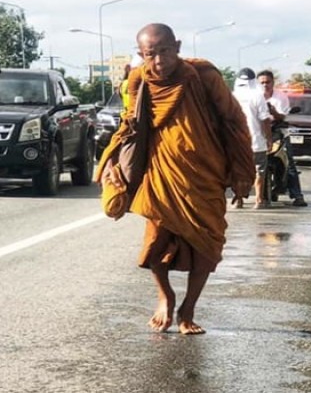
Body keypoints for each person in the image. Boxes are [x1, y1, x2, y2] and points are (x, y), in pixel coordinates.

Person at [96, 23, 254, 335]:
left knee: (208, 245)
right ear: (141, 55)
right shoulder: (138, 79)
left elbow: (232, 120)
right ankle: (165, 296)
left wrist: (242, 171)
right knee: (155, 241)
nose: (158, 61)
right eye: (149, 54)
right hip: (161, 172)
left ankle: (189, 308)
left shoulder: (204, 75)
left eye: (164, 51)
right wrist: (114, 162)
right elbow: (130, 124)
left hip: (206, 172)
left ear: (177, 47)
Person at [257, 70, 308, 207]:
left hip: (279, 133)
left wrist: (273, 112)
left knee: (290, 163)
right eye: (262, 82)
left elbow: (283, 117)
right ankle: (241, 194)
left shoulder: (280, 97)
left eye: (267, 82)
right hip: (259, 135)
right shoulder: (255, 97)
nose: (265, 85)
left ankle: (297, 195)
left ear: (273, 82)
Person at [232, 68, 272, 209]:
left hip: (236, 143)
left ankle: (239, 200)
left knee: (238, 171)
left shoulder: (232, 96)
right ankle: (259, 200)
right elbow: (265, 119)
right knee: (259, 171)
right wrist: (269, 139)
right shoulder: (257, 96)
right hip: (256, 141)